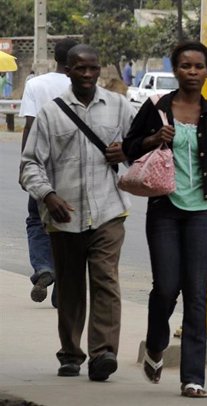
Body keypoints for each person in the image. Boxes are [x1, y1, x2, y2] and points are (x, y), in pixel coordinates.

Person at [122, 41, 207, 398]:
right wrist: (153, 138)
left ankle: (193, 377)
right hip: (164, 209)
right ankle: (157, 345)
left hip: (203, 212)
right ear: (175, 70)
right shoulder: (156, 107)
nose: (192, 72)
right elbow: (128, 148)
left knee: (196, 292)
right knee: (165, 288)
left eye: (198, 66)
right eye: (185, 66)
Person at [20, 44, 133, 381]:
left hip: (109, 212)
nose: (87, 74)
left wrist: (126, 152)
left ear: (100, 70)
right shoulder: (50, 114)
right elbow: (29, 165)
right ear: (67, 70)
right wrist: (48, 195)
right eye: (80, 69)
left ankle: (103, 354)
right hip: (64, 216)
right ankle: (70, 353)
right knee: (70, 288)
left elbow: (140, 151)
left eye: (92, 68)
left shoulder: (119, 107)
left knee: (106, 281)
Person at [18, 38, 77, 307]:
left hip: (42, 164)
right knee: (70, 226)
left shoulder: (35, 84)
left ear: (55, 56)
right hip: (76, 167)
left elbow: (29, 128)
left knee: (36, 219)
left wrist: (25, 165)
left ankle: (44, 267)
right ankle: (63, 287)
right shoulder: (86, 86)